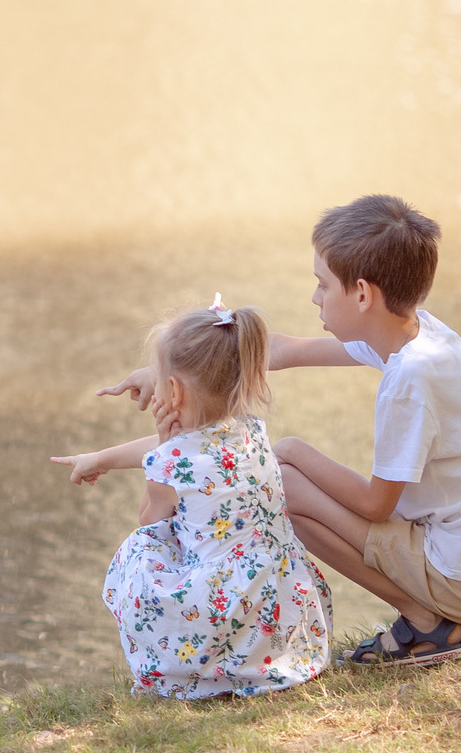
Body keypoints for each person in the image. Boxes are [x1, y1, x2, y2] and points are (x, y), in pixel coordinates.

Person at [102, 196, 461, 668]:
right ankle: (451, 619)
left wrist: (292, 450)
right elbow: (283, 350)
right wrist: (167, 378)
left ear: (363, 295)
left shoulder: (409, 382)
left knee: (280, 484)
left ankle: (428, 624)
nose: (315, 297)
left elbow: (376, 504)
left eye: (323, 285)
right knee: (283, 484)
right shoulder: (421, 338)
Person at [51, 300, 333, 700]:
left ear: (174, 390)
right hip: (282, 615)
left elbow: (150, 519)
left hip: (222, 616)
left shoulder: (173, 456)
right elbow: (187, 451)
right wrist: (104, 459)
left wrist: (160, 461)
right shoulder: (251, 431)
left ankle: (176, 670)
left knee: (139, 549)